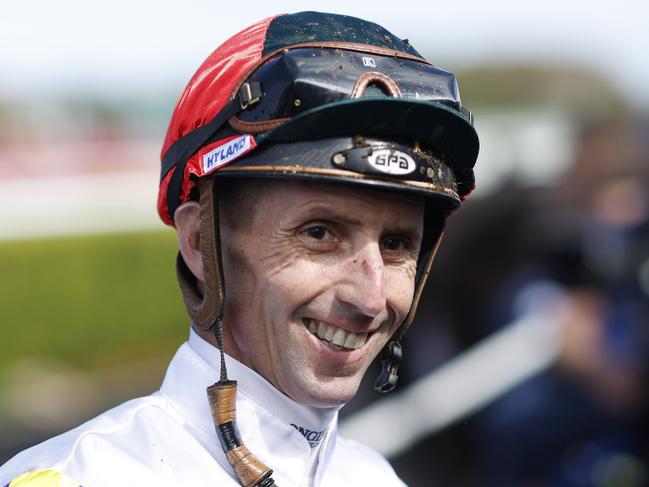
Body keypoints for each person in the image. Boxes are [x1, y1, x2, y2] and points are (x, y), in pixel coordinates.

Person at [0, 11, 478, 487]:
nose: (372, 300)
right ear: (198, 242)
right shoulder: (77, 477)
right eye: (319, 233)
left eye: (396, 244)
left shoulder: (376, 478)